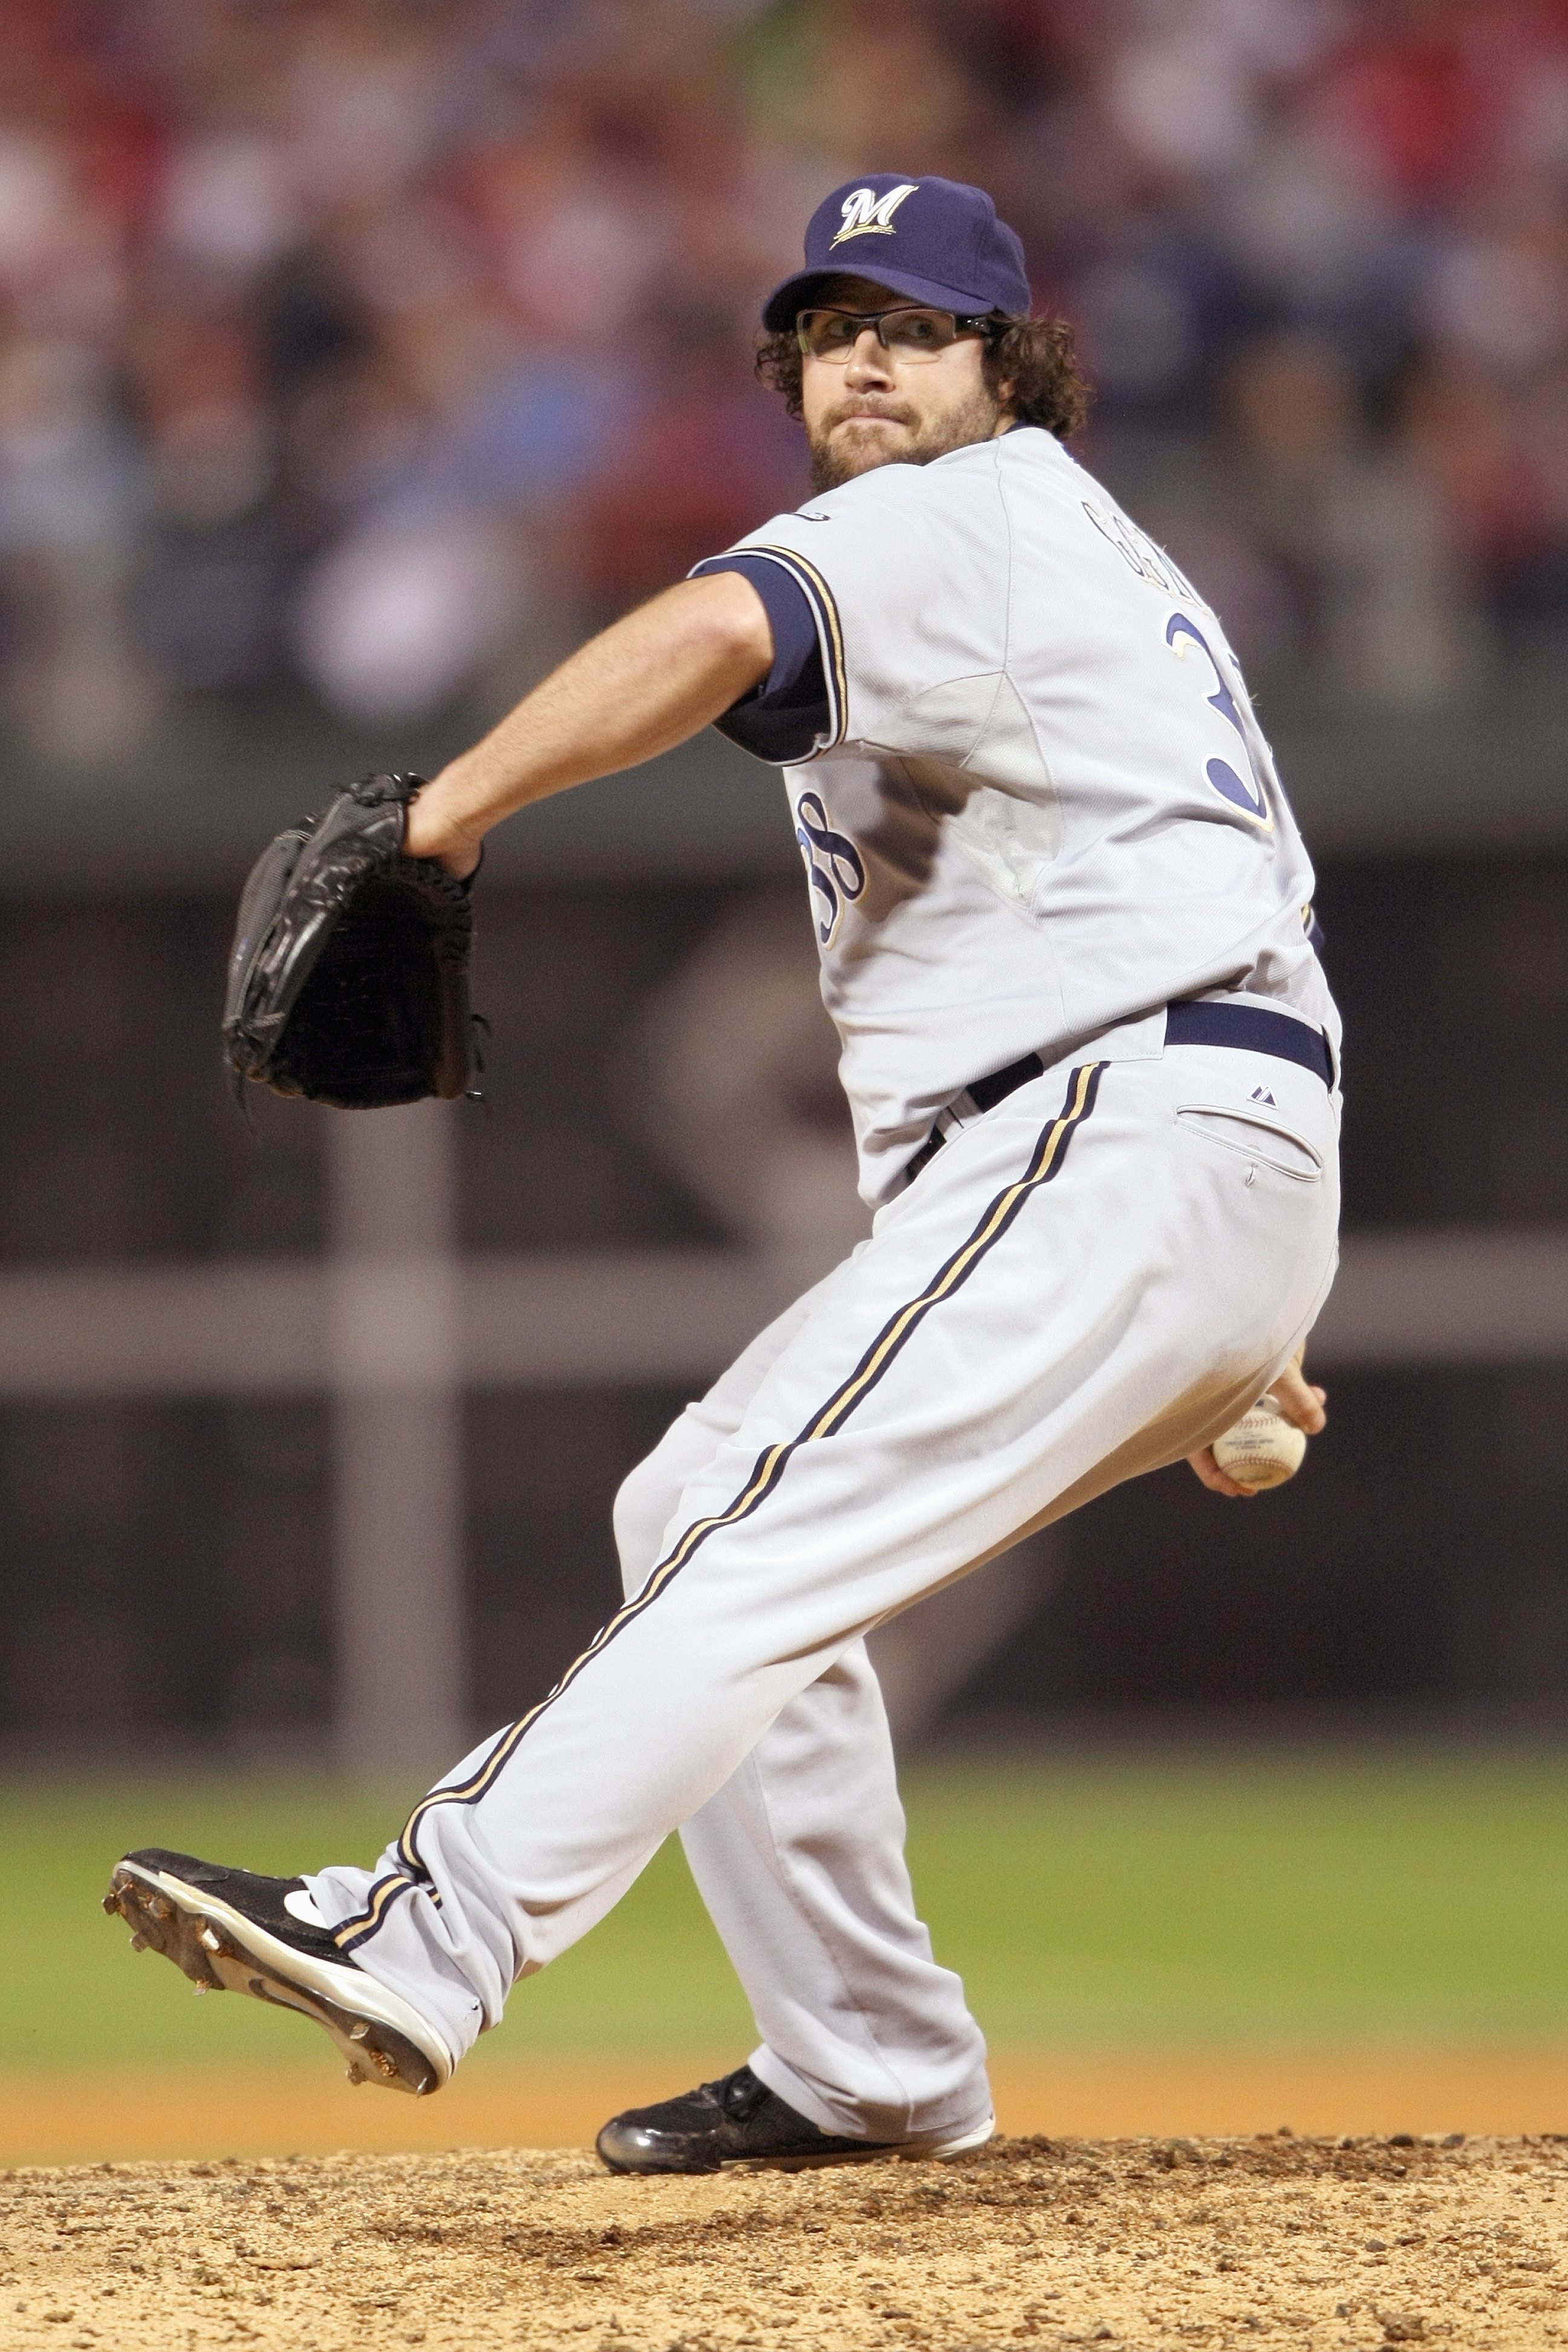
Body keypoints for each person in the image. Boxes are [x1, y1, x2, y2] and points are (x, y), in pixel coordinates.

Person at [108, 175, 1338, 2173]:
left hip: (1121, 1124)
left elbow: (709, 629)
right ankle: (870, 2062)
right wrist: (1250, 1311)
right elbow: (1223, 901)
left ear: (1008, 367)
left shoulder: (959, 507)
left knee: (751, 1533)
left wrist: (443, 818)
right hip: (1175, 1129)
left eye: (919, 326)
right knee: (701, 1501)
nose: (867, 356)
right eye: (833, 326)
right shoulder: (1084, 560)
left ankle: (431, 1922)